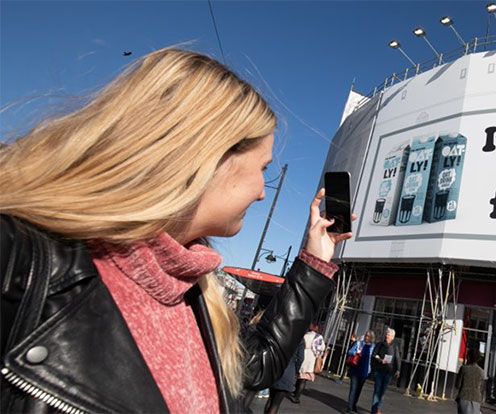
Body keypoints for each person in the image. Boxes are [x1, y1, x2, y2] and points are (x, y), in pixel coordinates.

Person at [0, 48, 356, 413]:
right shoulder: (19, 260)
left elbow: (254, 366)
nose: (263, 191)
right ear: (206, 156)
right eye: (262, 168)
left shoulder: (191, 286)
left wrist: (314, 261)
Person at [264, 341, 304, 414]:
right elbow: (301, 358)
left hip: (275, 368)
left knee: (271, 398)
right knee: (276, 403)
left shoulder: (280, 331)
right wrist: (296, 371)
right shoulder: (299, 338)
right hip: (288, 371)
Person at [291, 323, 326, 403]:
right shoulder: (318, 337)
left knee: (300, 375)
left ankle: (295, 391)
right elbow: (322, 347)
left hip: (302, 353)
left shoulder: (305, 335)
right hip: (311, 357)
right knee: (304, 379)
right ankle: (297, 396)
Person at [371, 328, 402, 414]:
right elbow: (374, 354)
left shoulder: (395, 346)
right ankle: (374, 411)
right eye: (386, 334)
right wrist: (380, 360)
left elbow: (397, 359)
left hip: (388, 372)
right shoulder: (380, 344)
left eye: (388, 334)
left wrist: (398, 370)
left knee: (383, 392)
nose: (386, 336)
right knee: (377, 391)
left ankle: (378, 408)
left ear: (392, 337)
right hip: (379, 370)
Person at [346, 330, 375, 413]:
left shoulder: (372, 347)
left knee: (359, 389)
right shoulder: (359, 343)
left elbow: (372, 358)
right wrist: (356, 352)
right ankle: (349, 407)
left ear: (371, 338)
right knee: (353, 388)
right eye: (366, 336)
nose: (366, 338)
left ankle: (354, 404)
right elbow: (350, 351)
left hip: (365, 371)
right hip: (355, 369)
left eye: (369, 336)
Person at [455, 348, 485, 414]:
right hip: (476, 399)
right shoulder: (481, 372)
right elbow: (481, 388)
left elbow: (458, 385)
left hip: (463, 397)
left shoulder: (463, 369)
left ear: (468, 357)